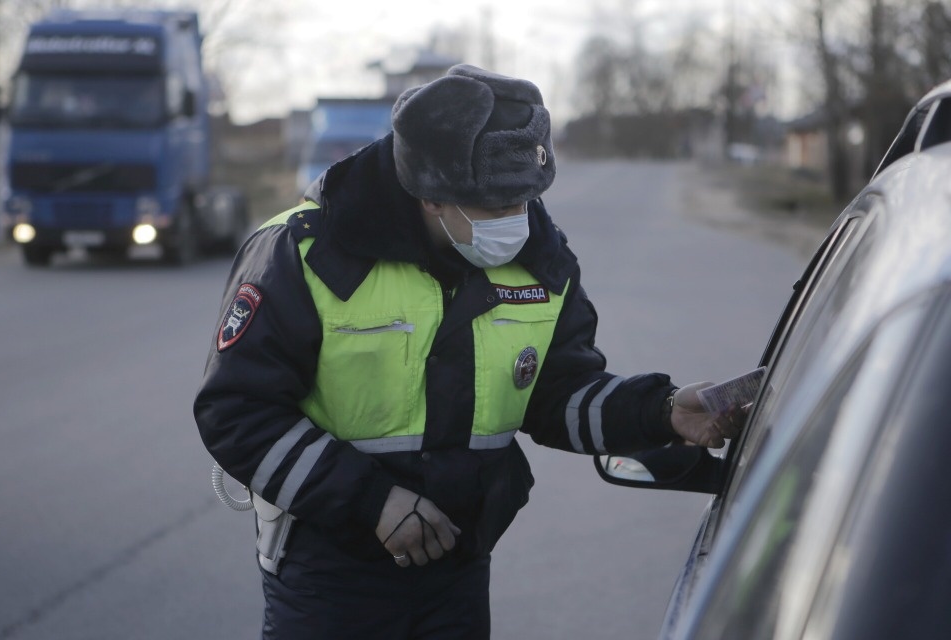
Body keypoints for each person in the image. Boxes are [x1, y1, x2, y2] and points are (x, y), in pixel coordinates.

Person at [194, 64, 742, 640]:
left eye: (523, 200)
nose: (516, 222)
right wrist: (373, 503)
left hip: (456, 566)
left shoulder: (541, 263)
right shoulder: (306, 254)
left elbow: (558, 395)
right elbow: (236, 411)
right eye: (495, 206)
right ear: (430, 195)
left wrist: (662, 411)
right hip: (328, 574)